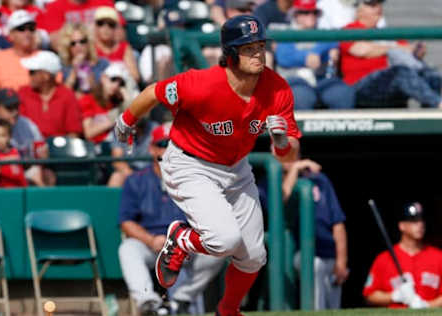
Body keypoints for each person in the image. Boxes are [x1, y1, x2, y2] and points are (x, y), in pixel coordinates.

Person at [115, 15, 301, 316]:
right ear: (230, 54)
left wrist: (281, 143)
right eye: (248, 47)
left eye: (260, 46)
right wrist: (127, 120)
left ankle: (228, 310)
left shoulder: (277, 89)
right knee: (225, 239)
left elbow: (289, 156)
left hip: (235, 168)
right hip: (190, 163)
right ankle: (181, 239)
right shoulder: (201, 84)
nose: (257, 53)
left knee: (254, 256)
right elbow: (155, 92)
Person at [118, 123, 225, 316]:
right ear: (152, 148)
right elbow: (126, 221)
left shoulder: (195, 180)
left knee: (220, 246)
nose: (168, 150)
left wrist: (185, 240)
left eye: (175, 145)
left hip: (185, 245)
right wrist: (150, 240)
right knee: (128, 249)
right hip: (152, 244)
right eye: (163, 144)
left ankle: (182, 299)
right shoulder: (136, 180)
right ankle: (150, 304)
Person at [340, 0, 442, 108]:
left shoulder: (388, 33)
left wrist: (416, 50)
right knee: (399, 72)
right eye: (372, 5)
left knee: (431, 75)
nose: (378, 8)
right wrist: (396, 48)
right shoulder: (350, 30)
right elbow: (361, 50)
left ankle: (431, 115)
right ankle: (438, 104)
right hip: (362, 87)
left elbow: (408, 52)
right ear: (358, 10)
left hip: (392, 86)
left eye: (379, 4)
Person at [282, 157, 349, 310]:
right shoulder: (271, 180)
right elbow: (282, 198)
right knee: (314, 265)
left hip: (329, 253)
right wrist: (295, 169)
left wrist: (341, 261)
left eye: (293, 153)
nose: (289, 158)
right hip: (297, 253)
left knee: (333, 307)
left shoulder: (319, 180)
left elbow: (337, 222)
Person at [275, 0, 355, 110]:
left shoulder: (322, 32)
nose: (311, 16)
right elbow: (283, 57)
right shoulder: (287, 32)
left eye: (314, 12)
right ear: (295, 14)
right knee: (302, 97)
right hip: (295, 79)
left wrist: (316, 52)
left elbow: (333, 40)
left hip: (322, 79)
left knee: (342, 93)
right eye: (305, 12)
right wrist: (305, 57)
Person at [363, 202, 442, 308]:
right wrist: (394, 296)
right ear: (402, 226)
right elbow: (369, 296)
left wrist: (427, 305)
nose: (420, 225)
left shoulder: (438, 257)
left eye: (421, 220)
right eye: (414, 221)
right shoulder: (384, 259)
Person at [18, 50, 83, 138]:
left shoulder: (67, 96)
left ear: (46, 76)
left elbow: (74, 132)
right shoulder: (23, 93)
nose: (30, 76)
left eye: (32, 72)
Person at [0, 9, 39, 90]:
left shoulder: (45, 58)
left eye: (31, 29)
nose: (27, 33)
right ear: (11, 34)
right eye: (21, 29)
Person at [57, 22, 109, 98]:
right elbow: (61, 97)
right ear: (68, 47)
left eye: (82, 41)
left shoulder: (102, 64)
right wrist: (74, 71)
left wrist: (88, 71)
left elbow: (104, 96)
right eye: (73, 43)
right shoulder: (63, 68)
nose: (78, 46)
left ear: (88, 43)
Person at [94, 6, 140, 85]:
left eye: (110, 24)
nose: (106, 28)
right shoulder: (91, 48)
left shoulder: (124, 47)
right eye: (101, 23)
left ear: (116, 27)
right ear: (95, 27)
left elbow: (135, 76)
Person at [0, 118, 29, 188]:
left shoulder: (17, 151)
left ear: (9, 137)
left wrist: (24, 160)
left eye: (3, 135)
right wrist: (8, 160)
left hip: (21, 189)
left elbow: (26, 164)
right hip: (2, 191)